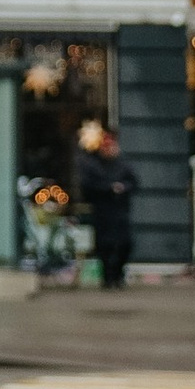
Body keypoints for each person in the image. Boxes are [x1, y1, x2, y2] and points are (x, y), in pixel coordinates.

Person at [75, 115, 139, 288]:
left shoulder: (123, 165)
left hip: (120, 211)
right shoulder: (93, 165)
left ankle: (118, 274)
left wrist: (122, 188)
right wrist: (109, 188)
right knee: (104, 246)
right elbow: (88, 186)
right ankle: (108, 277)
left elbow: (134, 183)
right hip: (103, 210)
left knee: (125, 245)